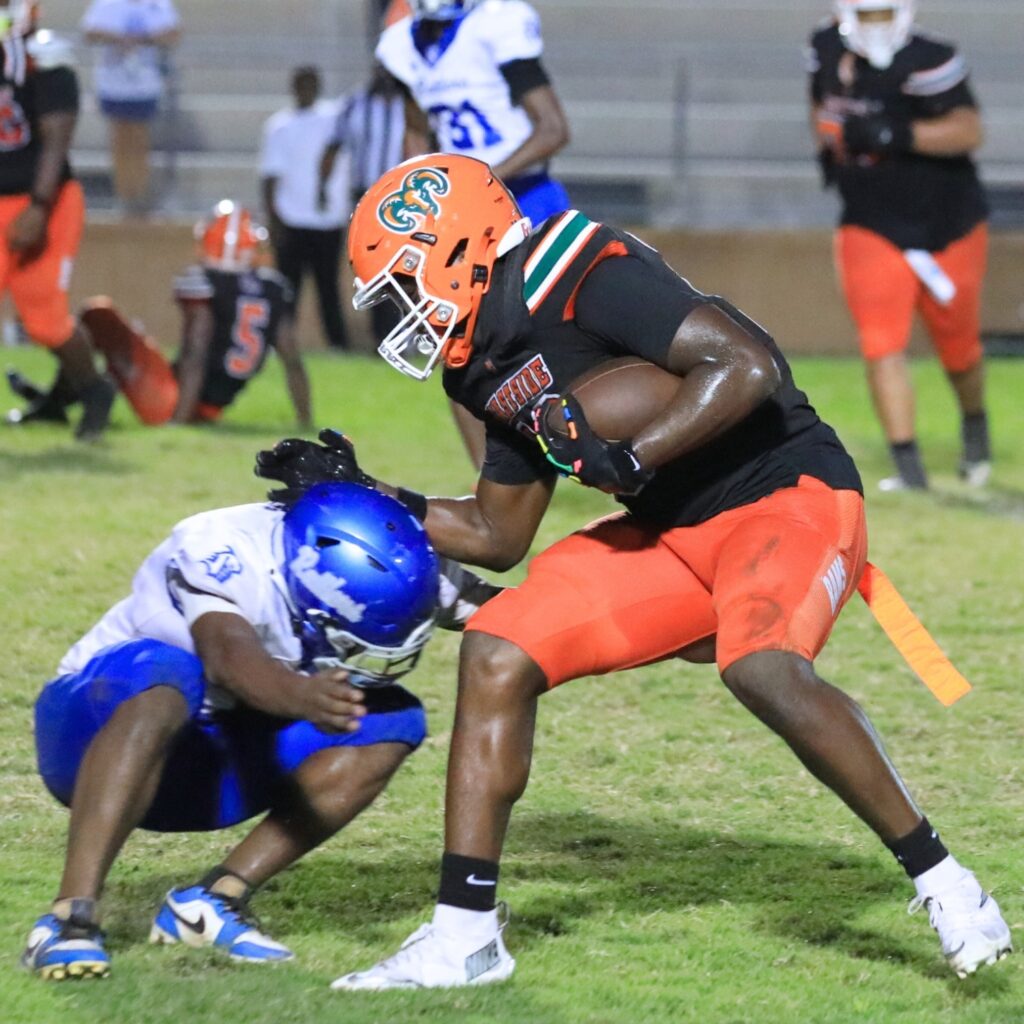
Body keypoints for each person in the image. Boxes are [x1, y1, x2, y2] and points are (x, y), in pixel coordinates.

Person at [257, 154, 1012, 988]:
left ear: (456, 245)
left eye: (403, 282)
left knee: (761, 668)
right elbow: (497, 530)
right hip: (671, 531)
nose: (399, 310)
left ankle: (948, 884)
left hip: (784, 494)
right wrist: (370, 494)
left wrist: (631, 456)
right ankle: (463, 936)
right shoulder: (476, 363)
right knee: (499, 647)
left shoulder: (576, 267)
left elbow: (749, 364)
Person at [21, 478, 499, 980]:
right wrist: (301, 696)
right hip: (89, 740)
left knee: (390, 719)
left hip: (212, 764)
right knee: (167, 675)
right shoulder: (222, 546)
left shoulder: (398, 568)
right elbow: (228, 658)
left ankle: (212, 903)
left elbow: (503, 612)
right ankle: (69, 919)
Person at [376, 0, 572, 468]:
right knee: (456, 345)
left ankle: (587, 450)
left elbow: (553, 129)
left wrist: (484, 178)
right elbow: (415, 130)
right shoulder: (403, 42)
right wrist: (420, 193)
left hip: (528, 199)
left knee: (562, 339)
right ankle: (492, 480)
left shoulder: (496, 24)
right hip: (466, 212)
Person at [808, 0, 991, 491]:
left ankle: (975, 423)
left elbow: (969, 130)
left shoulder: (931, 57)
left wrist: (896, 132)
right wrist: (831, 142)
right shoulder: (826, 49)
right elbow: (819, 109)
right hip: (869, 220)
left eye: (882, 13)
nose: (875, 26)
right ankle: (909, 469)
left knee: (959, 349)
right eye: (865, 14)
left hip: (945, 223)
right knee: (880, 341)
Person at [7, 200, 312, 428]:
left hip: (176, 401)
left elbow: (195, 353)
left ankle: (55, 403)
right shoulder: (272, 288)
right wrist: (305, 421)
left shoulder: (205, 283)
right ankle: (53, 402)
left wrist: (177, 421)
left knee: (97, 316)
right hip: (211, 406)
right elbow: (293, 362)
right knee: (120, 347)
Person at [0, 1, 115, 441]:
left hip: (44, 198)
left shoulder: (45, 57)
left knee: (44, 320)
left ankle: (94, 390)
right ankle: (56, 402)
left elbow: (56, 139)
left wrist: (39, 205)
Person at [260, 66, 352, 353]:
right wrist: (274, 220)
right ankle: (280, 343)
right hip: (292, 218)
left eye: (311, 84)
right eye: (301, 84)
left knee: (328, 287)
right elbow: (270, 176)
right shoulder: (280, 126)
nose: (306, 90)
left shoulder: (333, 119)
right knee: (287, 289)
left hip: (328, 219)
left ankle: (337, 343)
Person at [319, 62, 406, 345]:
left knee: (405, 267)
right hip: (366, 198)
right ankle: (383, 336)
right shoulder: (355, 103)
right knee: (372, 269)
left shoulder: (411, 106)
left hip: (405, 199)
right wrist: (323, 187)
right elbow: (333, 146)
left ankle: (407, 335)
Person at [80, 0, 181, 214]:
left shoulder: (158, 5)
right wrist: (118, 38)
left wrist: (142, 39)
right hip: (113, 82)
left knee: (140, 139)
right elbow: (89, 32)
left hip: (145, 83)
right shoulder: (107, 4)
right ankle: (124, 192)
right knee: (119, 138)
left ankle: (140, 193)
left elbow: (173, 34)